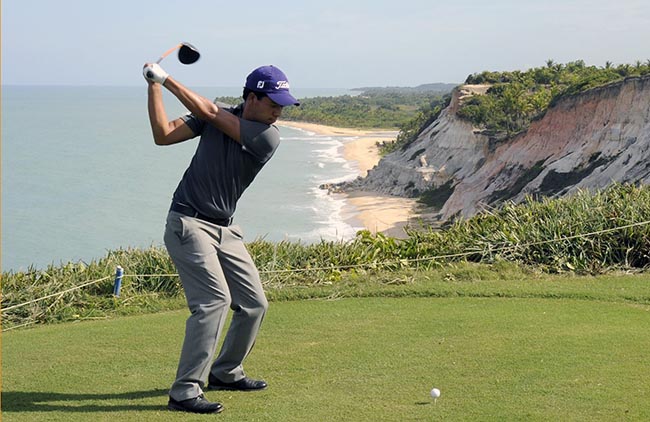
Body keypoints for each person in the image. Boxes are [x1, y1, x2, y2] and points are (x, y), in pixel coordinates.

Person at [142, 61, 300, 414]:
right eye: (273, 103)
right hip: (188, 223)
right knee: (213, 301)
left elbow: (212, 112)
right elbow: (163, 134)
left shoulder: (267, 136)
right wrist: (153, 87)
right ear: (251, 98)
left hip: (226, 229)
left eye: (282, 106)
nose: (278, 112)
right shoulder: (214, 116)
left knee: (254, 303)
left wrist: (166, 78)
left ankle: (226, 371)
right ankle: (185, 390)